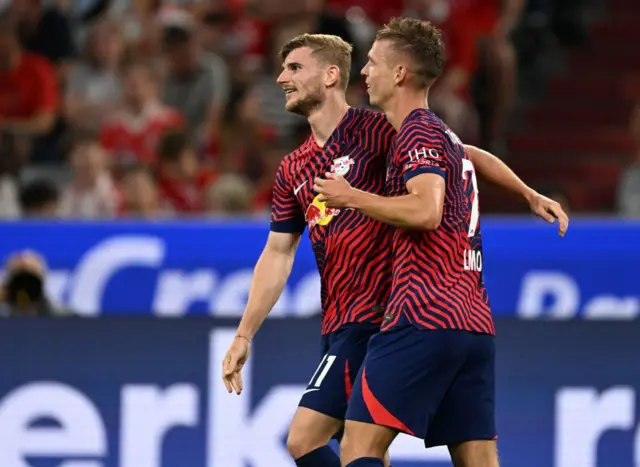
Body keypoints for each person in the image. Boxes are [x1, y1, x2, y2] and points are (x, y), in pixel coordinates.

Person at [222, 32, 568, 467]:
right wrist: (244, 333)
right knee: (384, 449)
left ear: (331, 75)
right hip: (342, 319)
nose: (280, 79)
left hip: (384, 316)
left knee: (307, 439)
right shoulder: (293, 168)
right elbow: (277, 253)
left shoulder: (377, 129)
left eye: (294, 68)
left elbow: (457, 151)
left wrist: (524, 191)